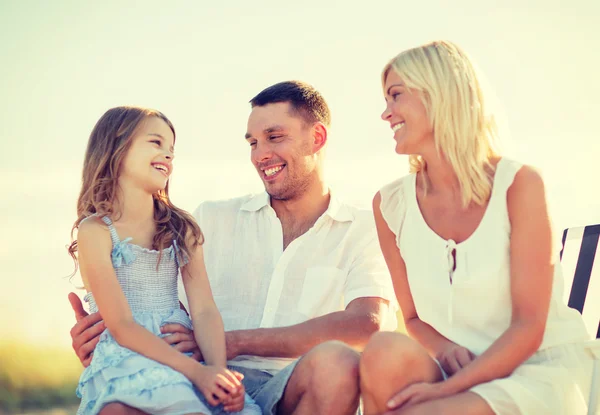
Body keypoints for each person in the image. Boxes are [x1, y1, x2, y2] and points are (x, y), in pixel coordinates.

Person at [69, 81, 398, 415]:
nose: (260, 154)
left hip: (292, 387)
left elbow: (368, 323)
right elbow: (157, 309)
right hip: (199, 380)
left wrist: (234, 342)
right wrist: (107, 339)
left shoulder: (363, 228)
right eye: (253, 143)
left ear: (317, 138)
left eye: (274, 137)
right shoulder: (210, 219)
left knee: (337, 361)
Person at [358, 40, 594, 415]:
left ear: (439, 94)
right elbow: (414, 318)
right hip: (458, 366)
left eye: (396, 96)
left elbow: (529, 327)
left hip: (536, 370)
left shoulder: (519, 185)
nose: (386, 114)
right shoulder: (390, 205)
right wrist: (445, 350)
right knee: (383, 351)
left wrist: (448, 391)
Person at [68, 106, 261, 415]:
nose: (168, 155)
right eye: (156, 143)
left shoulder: (180, 228)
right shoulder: (96, 231)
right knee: (117, 410)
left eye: (172, 149)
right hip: (126, 356)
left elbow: (204, 310)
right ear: (116, 147)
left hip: (180, 354)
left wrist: (217, 373)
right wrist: (197, 372)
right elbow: (121, 325)